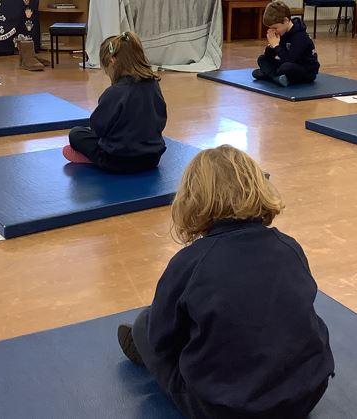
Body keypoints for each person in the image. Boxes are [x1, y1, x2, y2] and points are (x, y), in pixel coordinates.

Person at [117, 145, 335, 419]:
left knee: (145, 324)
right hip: (306, 396)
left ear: (192, 199)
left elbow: (161, 338)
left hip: (224, 410)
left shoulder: (190, 262)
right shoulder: (289, 246)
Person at [63, 32, 167, 173]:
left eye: (107, 70)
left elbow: (98, 128)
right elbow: (161, 120)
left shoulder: (114, 92)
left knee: (76, 133)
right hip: (152, 159)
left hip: (117, 161)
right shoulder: (153, 85)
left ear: (112, 61)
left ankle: (92, 158)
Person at [252, 1, 320, 87]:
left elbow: (290, 59)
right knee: (262, 59)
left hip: (305, 70)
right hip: (286, 62)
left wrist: (276, 46)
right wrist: (271, 46)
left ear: (285, 21)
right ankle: (277, 77)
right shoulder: (282, 31)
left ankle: (270, 75)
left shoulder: (300, 36)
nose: (273, 31)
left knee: (285, 67)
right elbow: (270, 56)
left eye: (275, 28)